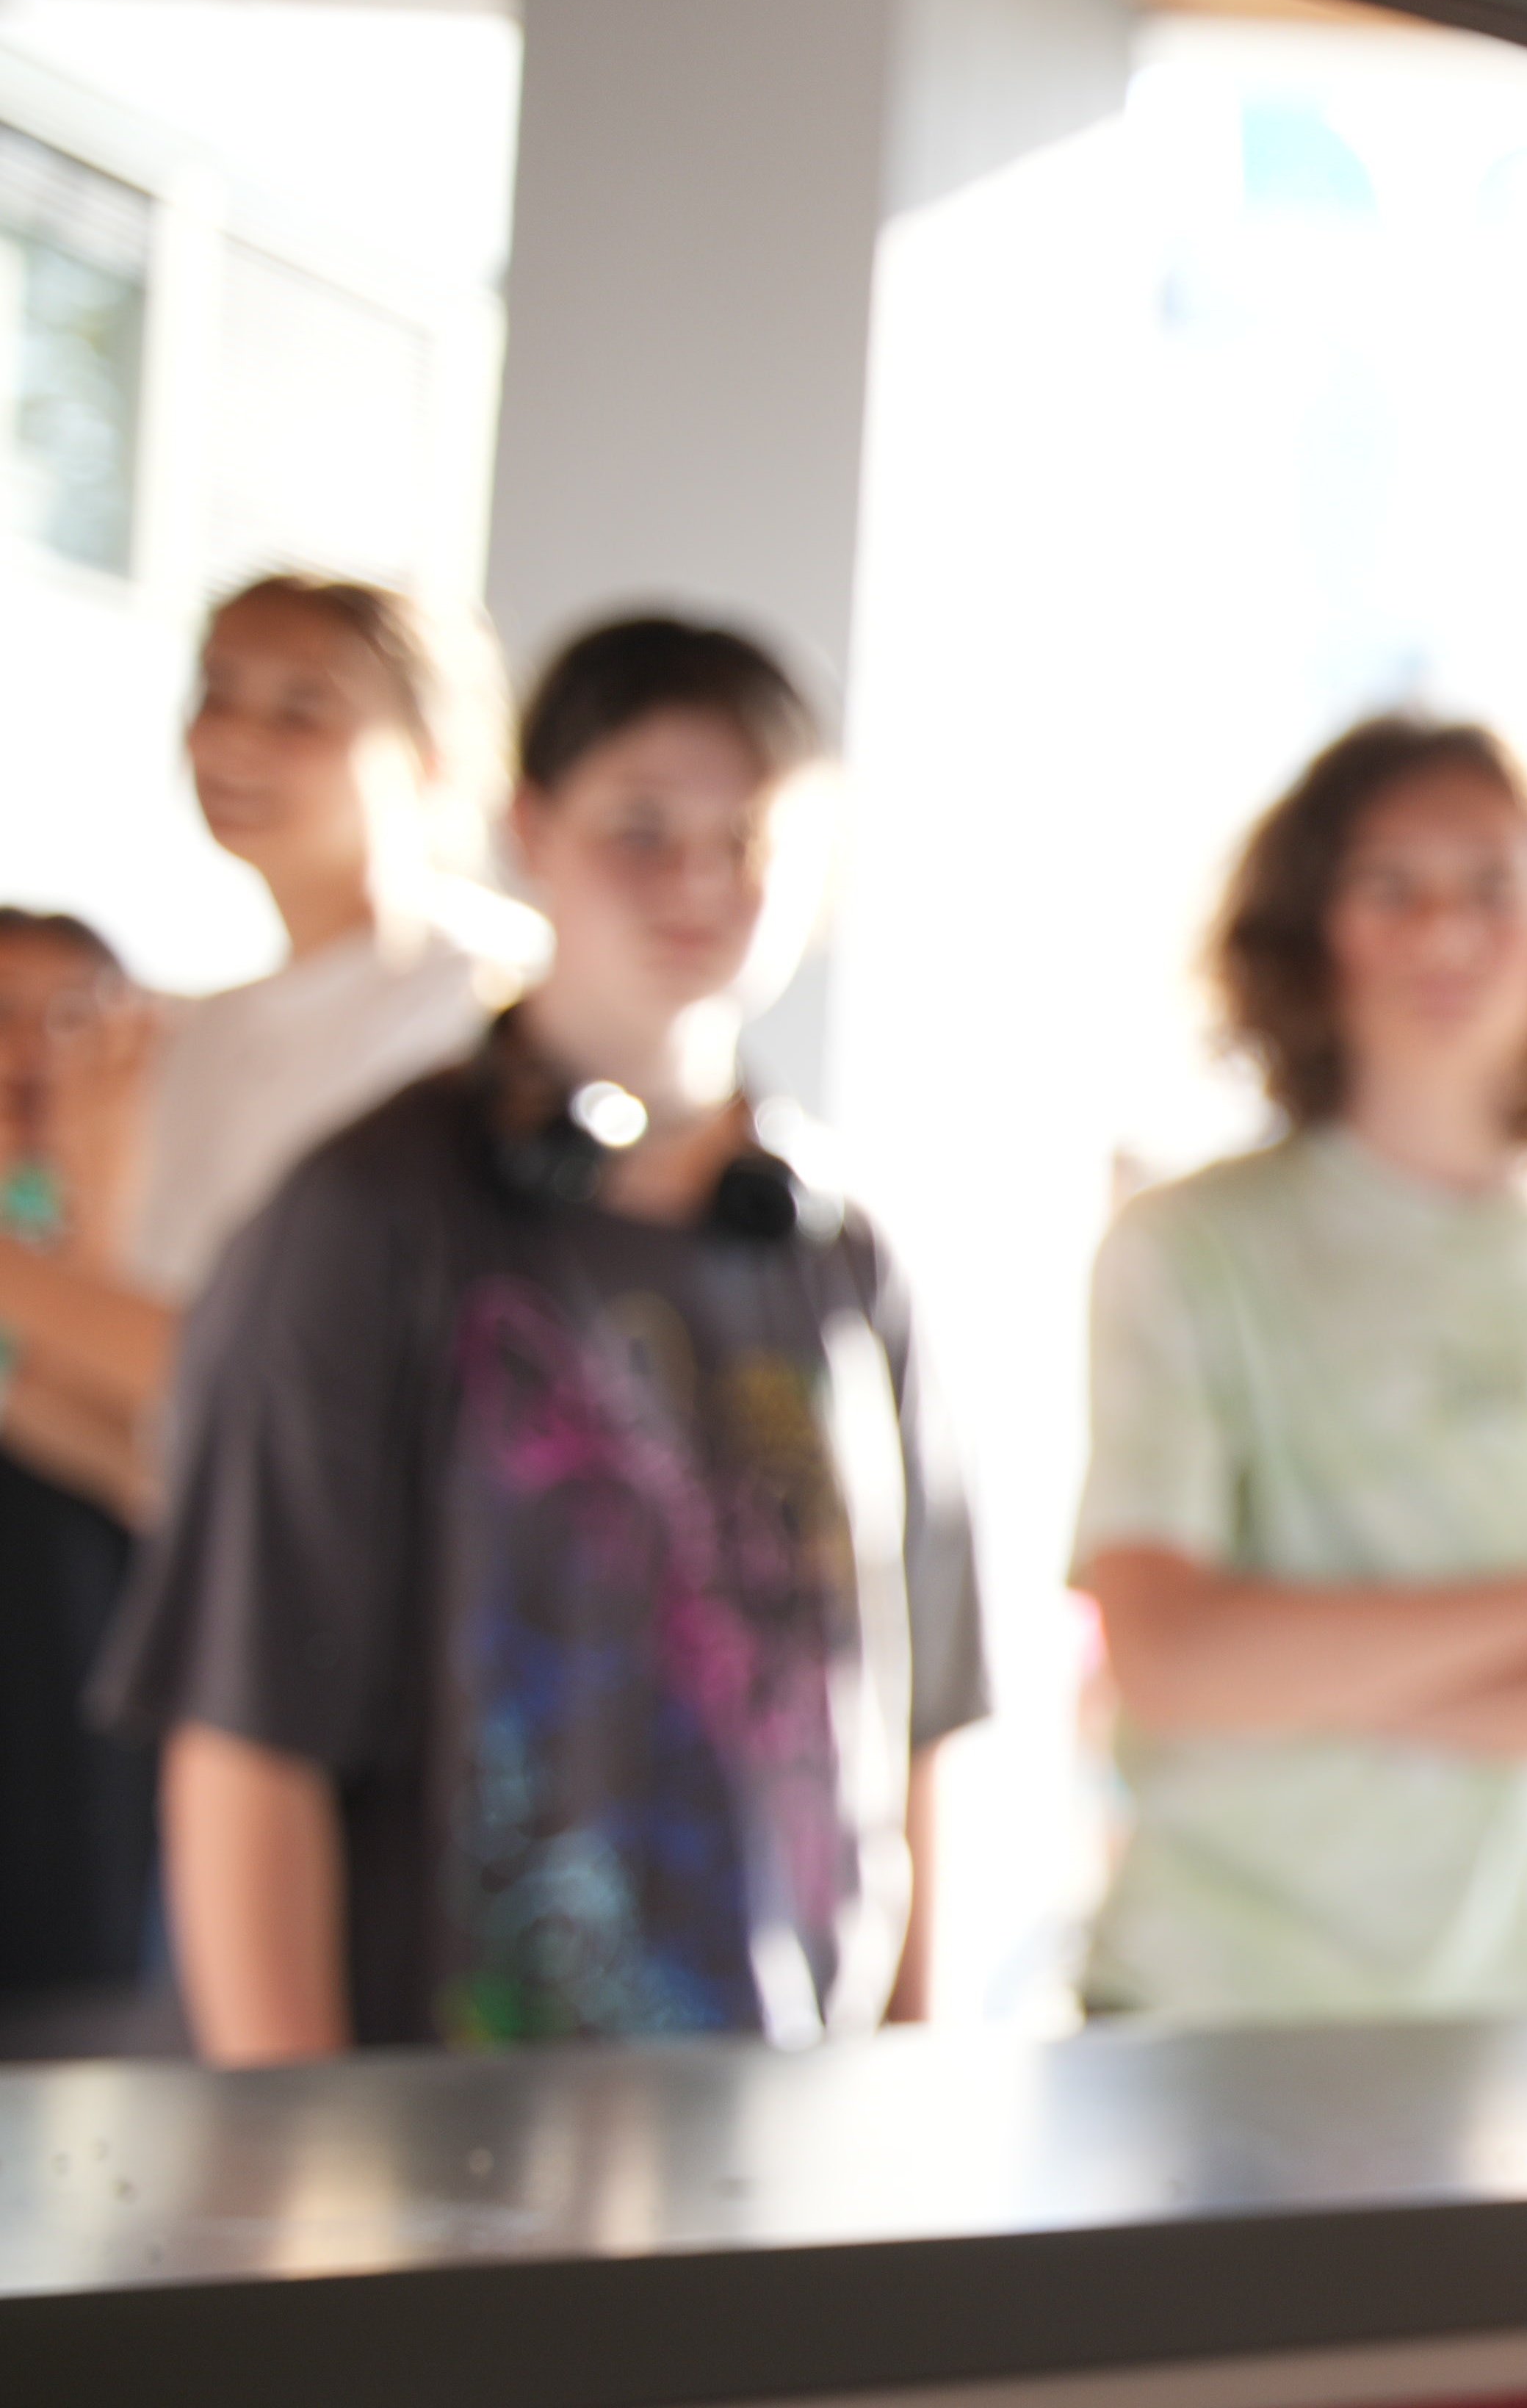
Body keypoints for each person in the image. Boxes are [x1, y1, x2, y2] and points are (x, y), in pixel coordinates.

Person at [94, 616, 983, 2059]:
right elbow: (244, 1737)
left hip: (786, 2147)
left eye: (748, 841)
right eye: (642, 828)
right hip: (442, 2161)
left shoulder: (842, 1250)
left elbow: (932, 1712)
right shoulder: (368, 1215)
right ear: (531, 831)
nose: (700, 883)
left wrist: (909, 2085)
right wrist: (305, 2189)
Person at [1073, 717, 1527, 2021]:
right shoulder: (1189, 1249)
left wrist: (1305, 1679)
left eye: (1490, 885)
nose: (1443, 932)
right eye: (1391, 885)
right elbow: (1173, 1662)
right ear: (1313, 922)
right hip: (1218, 2005)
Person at [0, 577, 541, 1495]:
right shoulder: (188, 1037)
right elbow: (153, 1441)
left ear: (433, 755)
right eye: (217, 692)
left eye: (304, 709)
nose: (231, 739)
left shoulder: (488, 996)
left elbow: (313, 1380)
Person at [0, 911, 164, 2052]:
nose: (37, 1051)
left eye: (77, 1019)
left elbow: (157, 1465)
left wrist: (94, 1206)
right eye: (6, 1016)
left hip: (87, 1814)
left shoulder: (171, 1232)